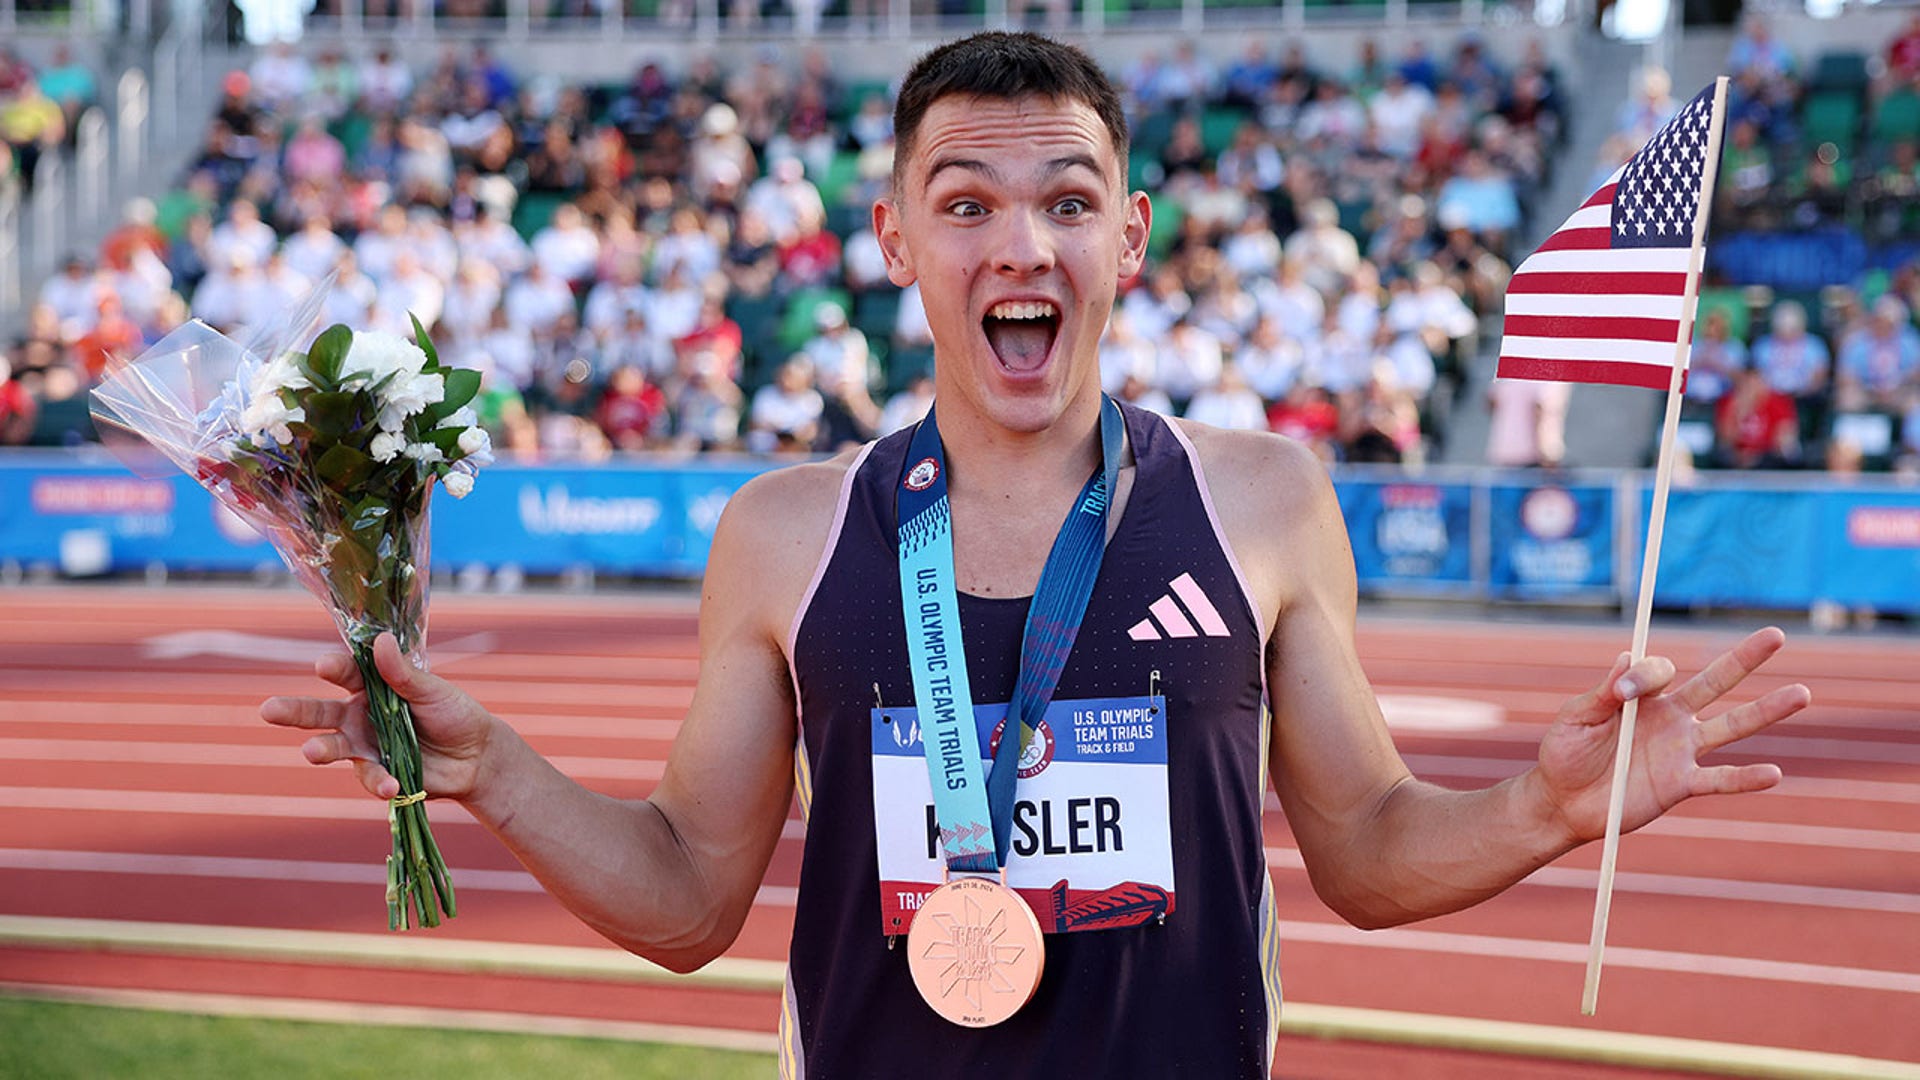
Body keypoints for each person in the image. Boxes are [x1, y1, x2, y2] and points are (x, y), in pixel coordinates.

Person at [263, 33, 1811, 1078]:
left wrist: (1547, 808)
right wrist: (492, 771)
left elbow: (1368, 852)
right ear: (893, 240)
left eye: (1069, 202)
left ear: (1128, 238)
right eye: (967, 203)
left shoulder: (1260, 500)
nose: (1022, 244)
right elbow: (687, 905)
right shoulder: (789, 534)